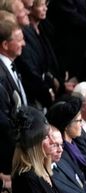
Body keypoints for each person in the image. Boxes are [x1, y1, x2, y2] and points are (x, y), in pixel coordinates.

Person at [10, 106, 62, 193]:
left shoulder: (43, 167)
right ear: (35, 144)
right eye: (46, 137)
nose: (52, 141)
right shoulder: (26, 177)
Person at [0, 17, 27, 178]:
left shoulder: (10, 64)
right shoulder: (0, 75)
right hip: (9, 152)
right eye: (19, 40)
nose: (24, 43)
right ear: (5, 45)